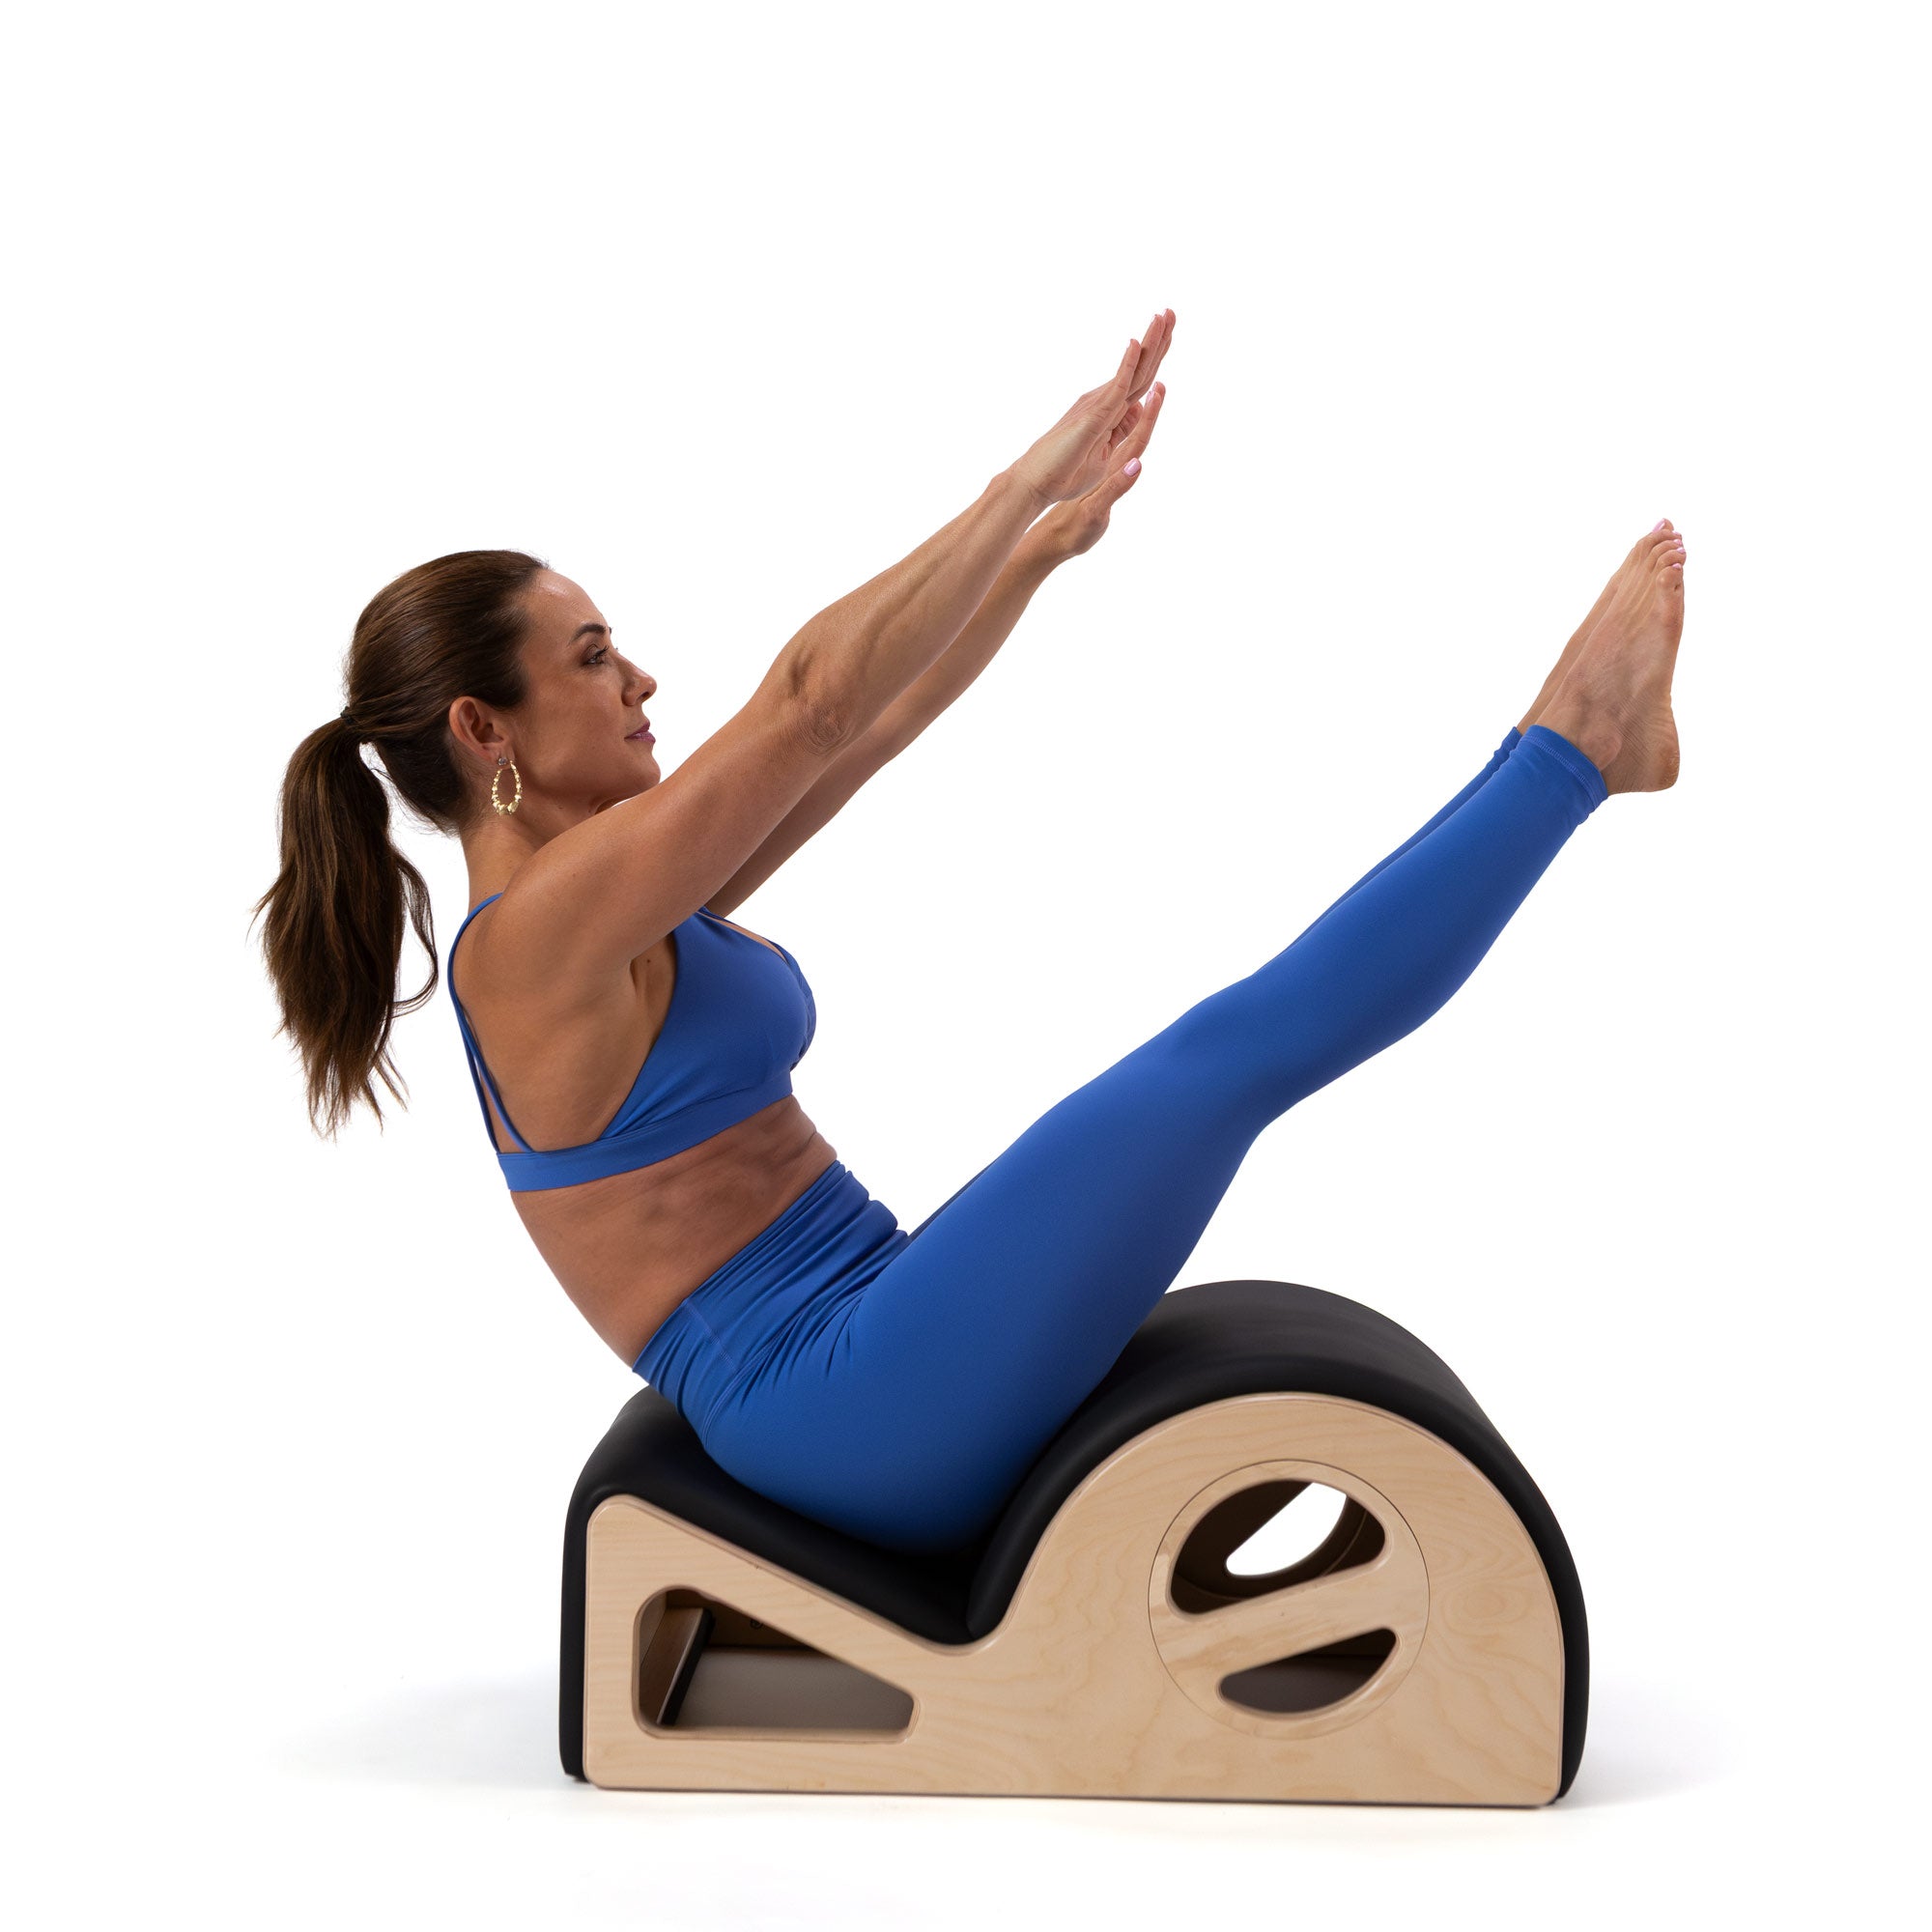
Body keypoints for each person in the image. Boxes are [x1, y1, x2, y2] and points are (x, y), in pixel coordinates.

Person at [254, 308, 1688, 1553]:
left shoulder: (611, 912)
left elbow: (860, 732)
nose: (640, 679)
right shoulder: (530, 945)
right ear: (482, 729)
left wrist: (1032, 559)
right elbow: (807, 702)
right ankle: (1577, 747)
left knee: (1216, 1060)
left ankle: (1577, 751)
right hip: (843, 1402)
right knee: (1219, 1060)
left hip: (871, 1325)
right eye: (590, 659)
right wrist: (1014, 487)